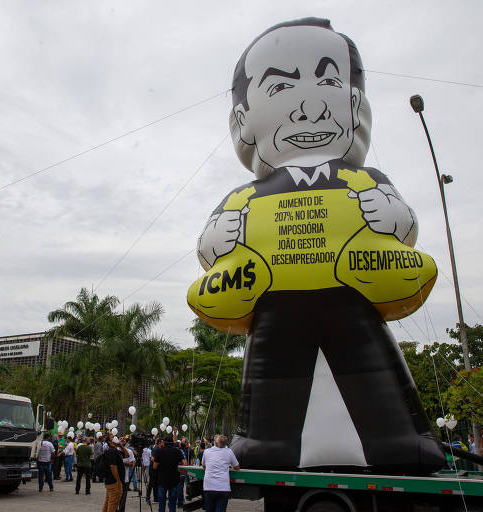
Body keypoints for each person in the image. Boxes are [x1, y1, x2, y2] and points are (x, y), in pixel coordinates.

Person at [190, 17, 444, 474]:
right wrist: (219, 237)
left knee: (369, 365)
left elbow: (403, 225)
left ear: (354, 102)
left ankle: (396, 437)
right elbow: (210, 249)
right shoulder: (245, 197)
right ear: (243, 117)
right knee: (271, 377)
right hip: (275, 308)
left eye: (328, 79)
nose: (310, 108)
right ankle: (267, 440)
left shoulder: (364, 181)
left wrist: (390, 217)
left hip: (352, 295)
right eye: (281, 88)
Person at [202, 435, 240, 512]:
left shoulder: (207, 452)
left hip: (209, 487)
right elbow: (237, 467)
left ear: (215, 443)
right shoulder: (229, 452)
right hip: (223, 488)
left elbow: (203, 465)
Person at [153, 438, 186, 512]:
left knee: (161, 502)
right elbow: (185, 463)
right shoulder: (178, 451)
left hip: (162, 480)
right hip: (174, 480)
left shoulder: (159, 451)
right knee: (172, 502)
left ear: (164, 443)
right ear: (173, 443)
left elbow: (154, 466)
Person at [102, 435, 126, 512]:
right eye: (112, 437)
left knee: (108, 502)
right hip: (114, 482)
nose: (115, 437)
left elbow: (126, 455)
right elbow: (113, 467)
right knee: (113, 504)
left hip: (111, 481)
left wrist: (120, 445)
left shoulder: (116, 451)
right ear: (109, 441)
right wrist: (118, 481)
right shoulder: (112, 451)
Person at [118, 437, 135, 512]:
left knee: (123, 499)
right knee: (115, 498)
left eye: (124, 439)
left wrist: (122, 463)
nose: (122, 440)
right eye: (121, 439)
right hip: (116, 478)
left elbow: (131, 464)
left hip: (125, 479)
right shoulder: (116, 451)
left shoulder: (129, 451)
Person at [146, 438, 164, 505]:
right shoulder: (156, 449)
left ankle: (156, 498)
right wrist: (159, 462)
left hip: (156, 469)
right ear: (159, 443)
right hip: (153, 469)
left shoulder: (159, 449)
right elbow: (152, 458)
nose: (163, 443)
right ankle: (147, 498)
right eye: (162, 442)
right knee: (151, 483)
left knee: (156, 483)